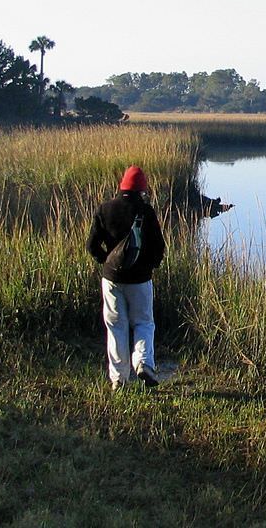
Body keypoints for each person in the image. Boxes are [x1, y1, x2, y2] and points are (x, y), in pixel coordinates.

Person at [86, 165, 166, 390]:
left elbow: (91, 246)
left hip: (111, 279)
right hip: (140, 280)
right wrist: (150, 266)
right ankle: (142, 363)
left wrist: (108, 263)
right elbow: (159, 247)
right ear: (142, 188)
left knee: (115, 326)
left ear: (122, 185)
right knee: (143, 322)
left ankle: (118, 379)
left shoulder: (105, 209)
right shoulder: (146, 212)